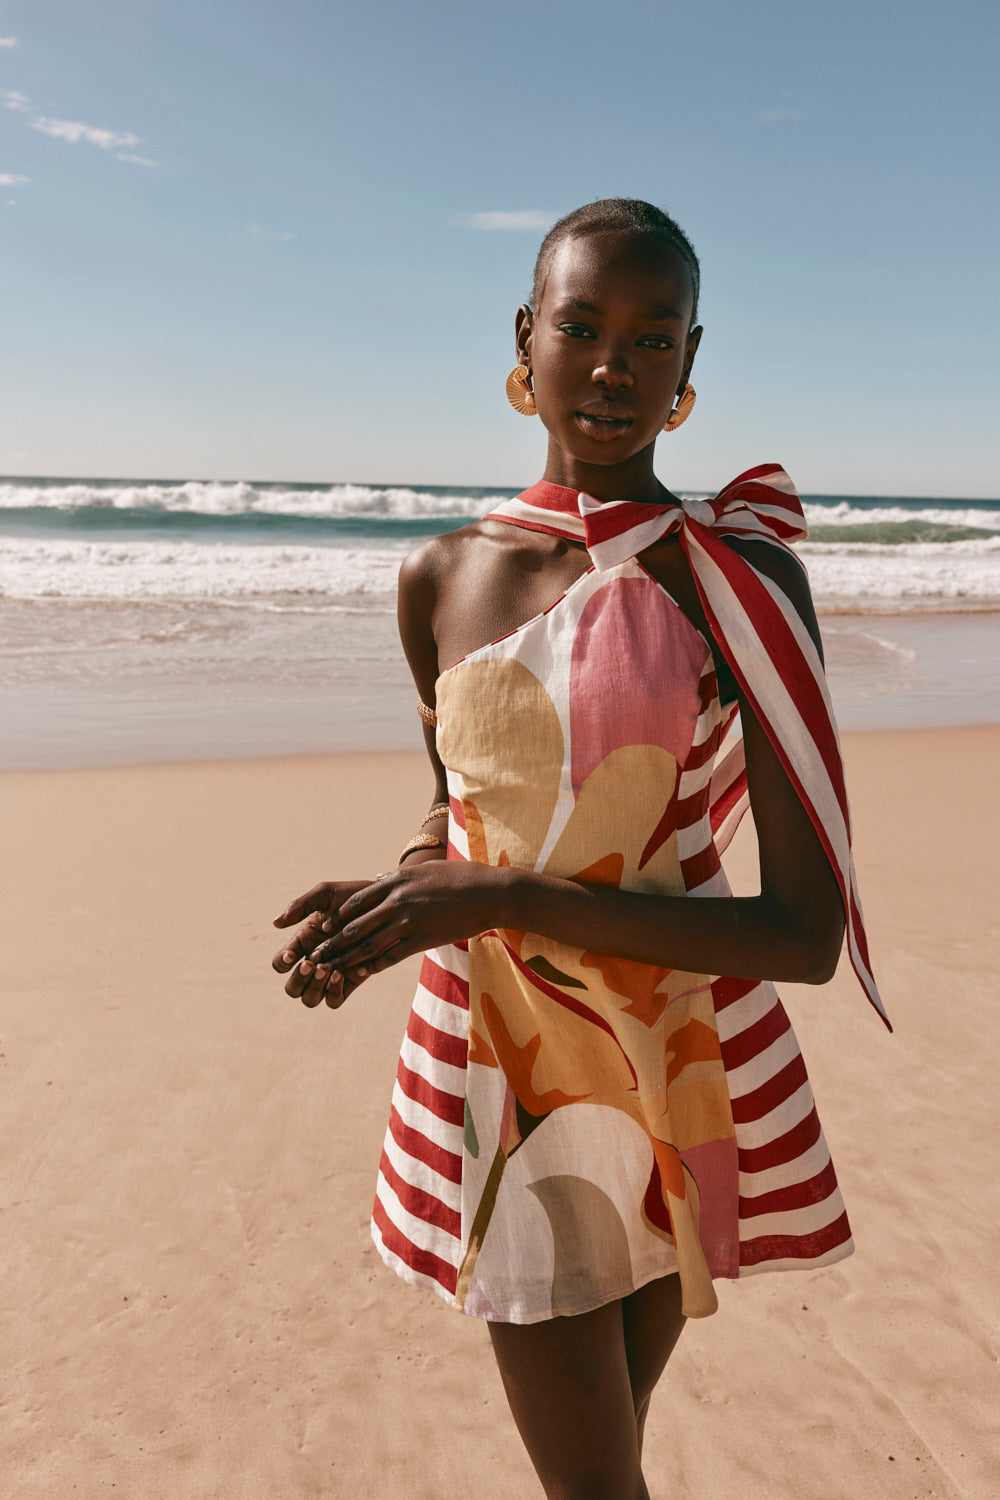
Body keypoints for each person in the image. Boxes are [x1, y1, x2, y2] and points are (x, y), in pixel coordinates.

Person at [271, 199, 890, 1500]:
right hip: (509, 1079)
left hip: (669, 1071)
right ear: (526, 338)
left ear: (690, 369)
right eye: (584, 325)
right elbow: (457, 812)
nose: (615, 363)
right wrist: (397, 899)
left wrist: (496, 890)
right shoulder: (441, 576)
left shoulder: (733, 583)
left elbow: (803, 934)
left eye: (654, 338)